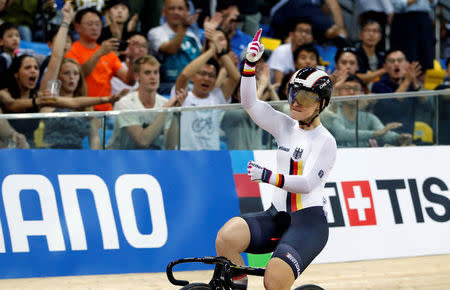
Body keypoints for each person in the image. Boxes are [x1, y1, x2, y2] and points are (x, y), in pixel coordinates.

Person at [216, 29, 336, 290]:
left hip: (308, 224)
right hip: (276, 215)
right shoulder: (284, 126)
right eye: (293, 93)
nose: (295, 102)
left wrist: (268, 176)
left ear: (320, 105)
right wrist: (249, 64)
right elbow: (249, 103)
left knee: (274, 280)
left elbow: (305, 184)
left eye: (304, 98)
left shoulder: (325, 141)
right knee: (226, 238)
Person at [39, 1, 126, 149]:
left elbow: (95, 142)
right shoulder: (49, 96)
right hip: (49, 156)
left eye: (75, 74)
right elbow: (56, 58)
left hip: (79, 159)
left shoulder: (86, 108)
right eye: (66, 73)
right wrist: (66, 21)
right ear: (59, 77)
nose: (72, 77)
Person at [173, 29, 240, 150]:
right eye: (202, 74)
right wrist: (212, 50)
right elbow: (184, 75)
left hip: (212, 155)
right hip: (185, 154)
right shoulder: (183, 94)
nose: (207, 78)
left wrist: (220, 51)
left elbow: (236, 77)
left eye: (211, 75)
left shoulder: (218, 96)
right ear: (193, 76)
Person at [107, 55, 185, 150]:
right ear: (137, 76)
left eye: (156, 72)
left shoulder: (164, 102)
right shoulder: (124, 103)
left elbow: (170, 146)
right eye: (147, 73)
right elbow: (142, 141)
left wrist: (175, 114)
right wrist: (164, 111)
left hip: (153, 157)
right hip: (121, 157)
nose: (153, 77)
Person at [66, 7, 135, 111]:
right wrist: (99, 53)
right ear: (77, 27)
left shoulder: (108, 52)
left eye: (98, 24)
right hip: (82, 110)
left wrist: (132, 59)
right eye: (90, 24)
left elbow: (129, 80)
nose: (95, 28)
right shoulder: (71, 51)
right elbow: (78, 76)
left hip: (107, 110)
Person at [330, 74, 412, 147]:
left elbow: (384, 133)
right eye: (347, 88)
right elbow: (340, 134)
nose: (351, 92)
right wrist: (375, 134)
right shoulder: (331, 113)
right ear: (339, 91)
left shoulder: (369, 118)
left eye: (356, 88)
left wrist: (398, 137)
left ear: (362, 93)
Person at [147, 0, 202, 95]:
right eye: (171, 8)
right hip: (166, 89)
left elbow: (201, 59)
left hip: (192, 89)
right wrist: (183, 27)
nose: (176, 12)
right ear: (163, 12)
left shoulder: (192, 36)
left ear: (187, 12)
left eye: (180, 9)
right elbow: (171, 49)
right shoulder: (156, 32)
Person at [371, 49, 427, 135]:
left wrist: (415, 83)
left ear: (407, 65)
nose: (396, 64)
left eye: (400, 60)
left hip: (408, 136)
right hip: (385, 136)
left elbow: (427, 106)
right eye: (392, 61)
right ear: (385, 66)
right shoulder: (378, 86)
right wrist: (407, 81)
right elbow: (391, 107)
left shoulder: (411, 85)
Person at [390, 0, 437, 71]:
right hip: (405, 19)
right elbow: (399, 4)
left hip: (424, 17)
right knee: (409, 57)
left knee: (425, 58)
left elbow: (434, 3)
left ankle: (421, 81)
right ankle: (406, 81)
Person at [270, 0, 347, 43]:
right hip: (297, 4)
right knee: (340, 35)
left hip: (276, 18)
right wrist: (340, 28)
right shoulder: (311, 9)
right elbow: (333, 5)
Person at [267, 19, 315, 84]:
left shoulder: (313, 53)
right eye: (300, 31)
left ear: (311, 38)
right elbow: (278, 84)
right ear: (291, 34)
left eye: (307, 32)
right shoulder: (281, 51)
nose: (304, 35)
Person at [355, 19, 386, 85]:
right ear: (360, 35)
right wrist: (383, 71)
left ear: (380, 37)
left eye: (375, 31)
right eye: (367, 30)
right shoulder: (354, 55)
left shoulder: (383, 57)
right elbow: (355, 77)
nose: (371, 34)